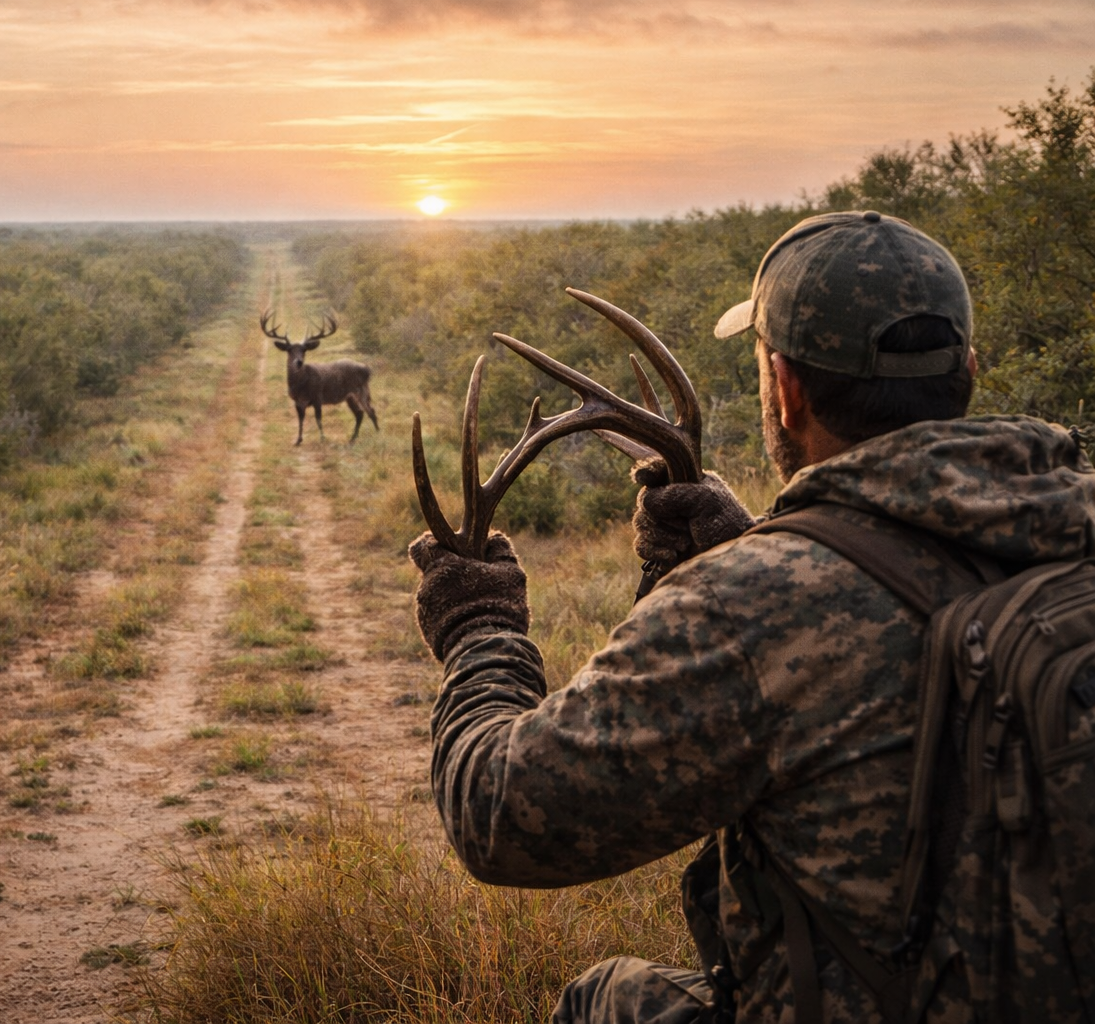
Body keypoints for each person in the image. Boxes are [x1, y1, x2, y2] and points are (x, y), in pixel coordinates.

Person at [407, 210, 1095, 1023]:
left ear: (786, 388)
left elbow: (499, 814)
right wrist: (757, 543)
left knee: (608, 1002)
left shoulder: (755, 607)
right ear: (968, 369)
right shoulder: (1069, 523)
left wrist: (480, 630)